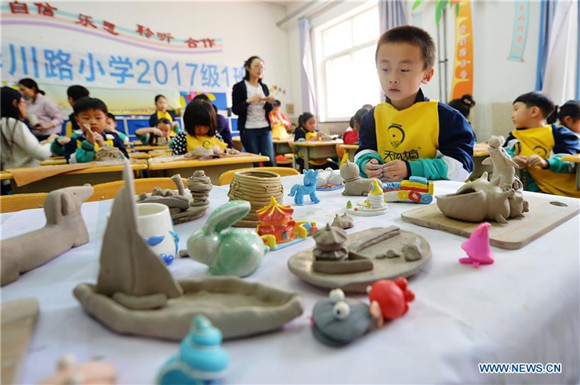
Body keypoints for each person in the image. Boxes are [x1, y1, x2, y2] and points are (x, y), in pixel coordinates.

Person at [356, 26, 474, 182]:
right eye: (385, 69)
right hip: (385, 200)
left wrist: (410, 168)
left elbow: (461, 167)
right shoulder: (372, 117)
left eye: (404, 70)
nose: (392, 78)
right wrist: (367, 163)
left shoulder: (446, 118)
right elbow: (364, 151)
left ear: (427, 75)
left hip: (433, 201)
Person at [504, 91, 580, 197]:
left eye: (516, 109)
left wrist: (546, 162)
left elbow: (570, 162)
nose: (513, 115)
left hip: (571, 192)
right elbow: (504, 155)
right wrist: (512, 161)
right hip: (541, 192)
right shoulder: (514, 137)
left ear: (534, 111)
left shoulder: (560, 133)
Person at [1, 87, 54, 182]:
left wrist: (44, 143)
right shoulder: (13, 124)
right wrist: (52, 143)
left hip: (8, 178)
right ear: (15, 103)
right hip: (22, 179)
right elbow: (41, 154)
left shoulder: (3, 123)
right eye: (23, 101)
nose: (26, 104)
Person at [231, 55, 275, 166]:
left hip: (265, 128)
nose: (259, 69)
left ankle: (271, 183)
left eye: (261, 67)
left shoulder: (263, 87)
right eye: (256, 66)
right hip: (248, 129)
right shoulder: (239, 87)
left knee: (269, 159)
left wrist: (270, 103)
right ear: (247, 68)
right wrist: (248, 101)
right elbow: (235, 110)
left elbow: (267, 110)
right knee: (254, 161)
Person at [63, 97, 128, 163]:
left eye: (98, 118)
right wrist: (89, 145)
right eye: (86, 118)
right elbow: (71, 162)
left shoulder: (113, 138)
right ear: (78, 121)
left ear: (106, 120)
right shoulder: (74, 141)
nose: (93, 122)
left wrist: (104, 147)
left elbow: (124, 160)